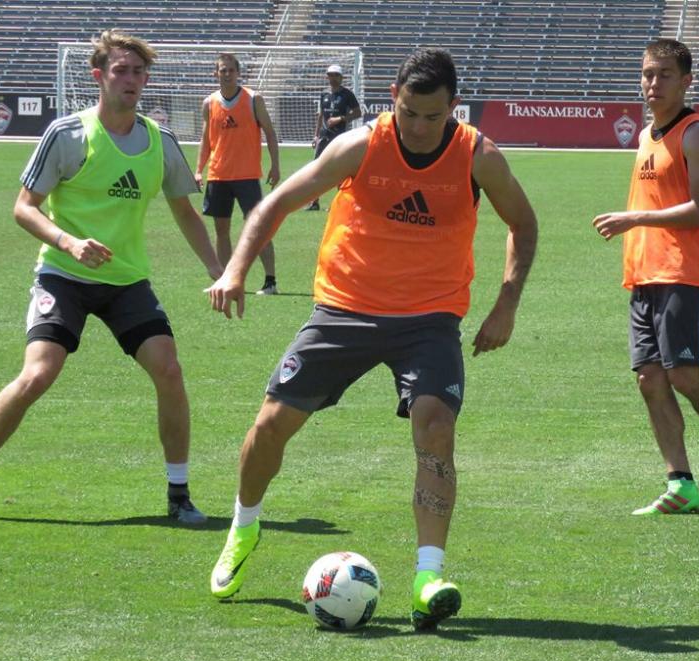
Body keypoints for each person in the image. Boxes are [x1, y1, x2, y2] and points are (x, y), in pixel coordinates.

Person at [206, 48, 537, 629]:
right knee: (270, 426)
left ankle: (428, 577)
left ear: (454, 108)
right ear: (392, 98)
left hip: (430, 318)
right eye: (409, 113)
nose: (418, 127)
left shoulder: (477, 156)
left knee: (436, 427)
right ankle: (244, 525)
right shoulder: (359, 145)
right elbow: (277, 202)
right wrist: (236, 269)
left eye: (433, 117)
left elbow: (523, 224)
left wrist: (506, 304)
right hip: (345, 309)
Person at [0, 30, 223, 523]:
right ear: (99, 76)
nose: (131, 79)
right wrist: (69, 242)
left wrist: (219, 270)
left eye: (139, 72)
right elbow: (24, 208)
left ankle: (179, 495)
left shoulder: (160, 142)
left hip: (126, 282)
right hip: (63, 277)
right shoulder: (68, 134)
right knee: (38, 374)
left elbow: (184, 210)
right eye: (121, 70)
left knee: (170, 371)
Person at [592, 38, 699, 515]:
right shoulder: (646, 136)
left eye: (664, 74)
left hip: (689, 270)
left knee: (683, 374)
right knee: (649, 378)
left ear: (686, 81)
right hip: (646, 272)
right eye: (647, 73)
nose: (653, 83)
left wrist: (633, 219)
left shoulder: (697, 134)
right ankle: (680, 482)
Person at [195, 53, 281, 294]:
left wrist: (275, 165)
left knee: (258, 228)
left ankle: (270, 281)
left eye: (231, 70)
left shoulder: (254, 99)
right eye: (222, 70)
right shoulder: (209, 103)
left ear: (238, 73)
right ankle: (224, 280)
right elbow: (205, 140)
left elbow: (270, 132)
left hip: (247, 176)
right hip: (218, 176)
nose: (227, 74)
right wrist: (198, 170)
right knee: (221, 231)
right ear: (216, 73)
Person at [304, 63, 361, 211]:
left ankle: (340, 203)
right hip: (324, 136)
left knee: (340, 170)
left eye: (336, 75)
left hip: (339, 138)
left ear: (341, 77)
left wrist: (340, 118)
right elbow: (321, 115)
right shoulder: (324, 94)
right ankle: (314, 202)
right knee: (316, 168)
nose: (333, 78)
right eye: (330, 75)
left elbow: (358, 113)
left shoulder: (347, 94)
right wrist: (316, 135)